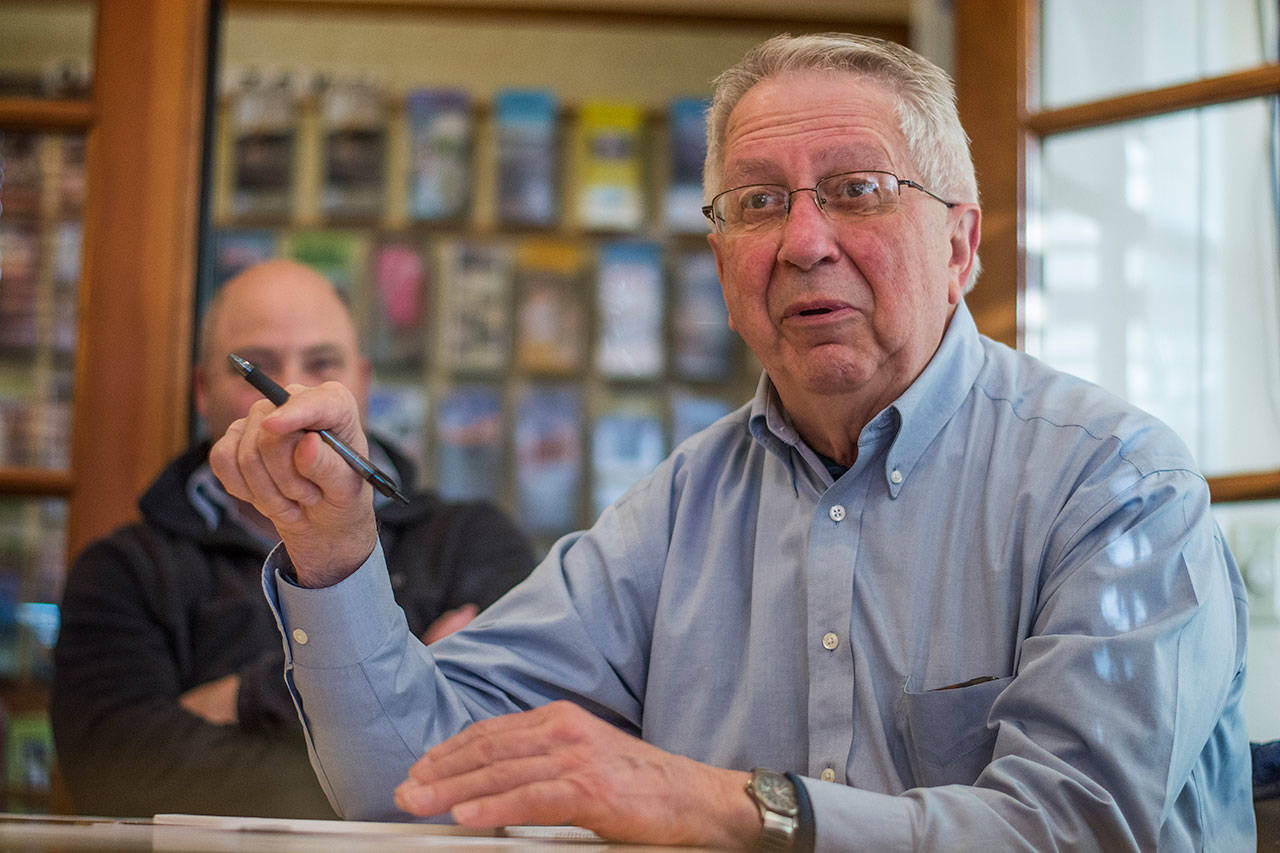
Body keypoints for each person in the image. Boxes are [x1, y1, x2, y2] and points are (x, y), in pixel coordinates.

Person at [210, 35, 1255, 849]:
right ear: (721, 262)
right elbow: (414, 781)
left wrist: (729, 805)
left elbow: (1074, 829)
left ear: (959, 242)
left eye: (856, 190)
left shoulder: (1116, 483)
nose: (803, 241)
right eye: (758, 203)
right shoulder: (677, 511)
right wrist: (334, 549)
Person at [51, 260, 536, 819]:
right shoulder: (122, 570)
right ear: (203, 392)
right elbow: (116, 774)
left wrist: (239, 698)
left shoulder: (470, 544)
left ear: (362, 382)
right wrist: (403, 687)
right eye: (256, 369)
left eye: (322, 364)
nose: (291, 394)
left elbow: (506, 745)